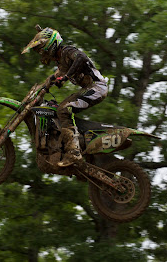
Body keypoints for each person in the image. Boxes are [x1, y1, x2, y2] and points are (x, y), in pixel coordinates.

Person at [21, 25, 108, 167]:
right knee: (56, 109)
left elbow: (81, 57)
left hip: (97, 88)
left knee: (63, 109)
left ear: (50, 44)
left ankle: (74, 152)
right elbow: (55, 76)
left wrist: (66, 77)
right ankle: (69, 144)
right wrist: (43, 88)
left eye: (41, 49)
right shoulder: (61, 62)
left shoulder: (68, 51)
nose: (41, 53)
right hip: (90, 88)